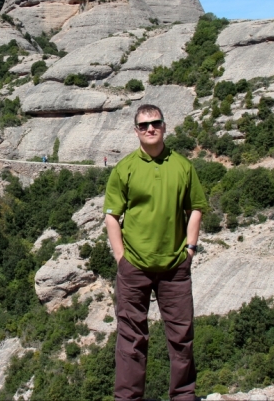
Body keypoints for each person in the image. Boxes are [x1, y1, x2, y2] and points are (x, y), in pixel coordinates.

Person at [103, 104, 208, 401]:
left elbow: (196, 207)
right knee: (131, 339)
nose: (150, 128)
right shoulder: (125, 168)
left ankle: (184, 396)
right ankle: (128, 398)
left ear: (164, 125)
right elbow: (112, 215)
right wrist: (121, 258)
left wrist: (190, 249)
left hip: (175, 266)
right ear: (135, 130)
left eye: (156, 123)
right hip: (134, 265)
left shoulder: (183, 166)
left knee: (181, 336)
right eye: (144, 125)